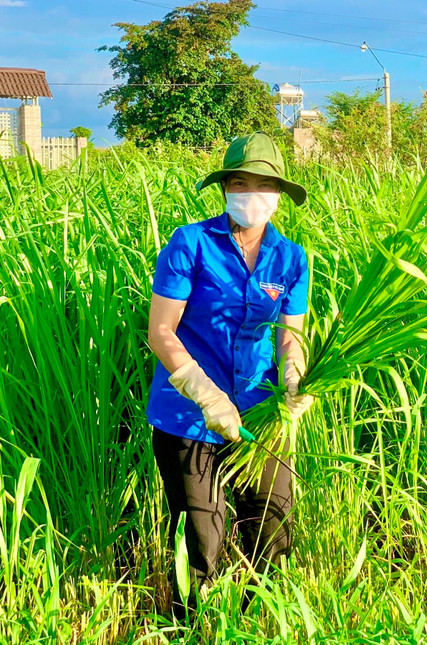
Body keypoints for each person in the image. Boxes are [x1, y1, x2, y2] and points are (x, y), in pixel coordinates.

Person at [146, 132, 313, 610]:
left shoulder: (291, 258)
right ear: (224, 189)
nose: (250, 193)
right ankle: (192, 628)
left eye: (263, 183)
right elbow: (161, 332)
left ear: (279, 194)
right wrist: (207, 395)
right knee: (203, 542)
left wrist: (294, 380)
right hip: (189, 418)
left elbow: (289, 336)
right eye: (239, 182)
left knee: (273, 531)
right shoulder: (190, 243)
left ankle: (261, 623)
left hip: (261, 415)